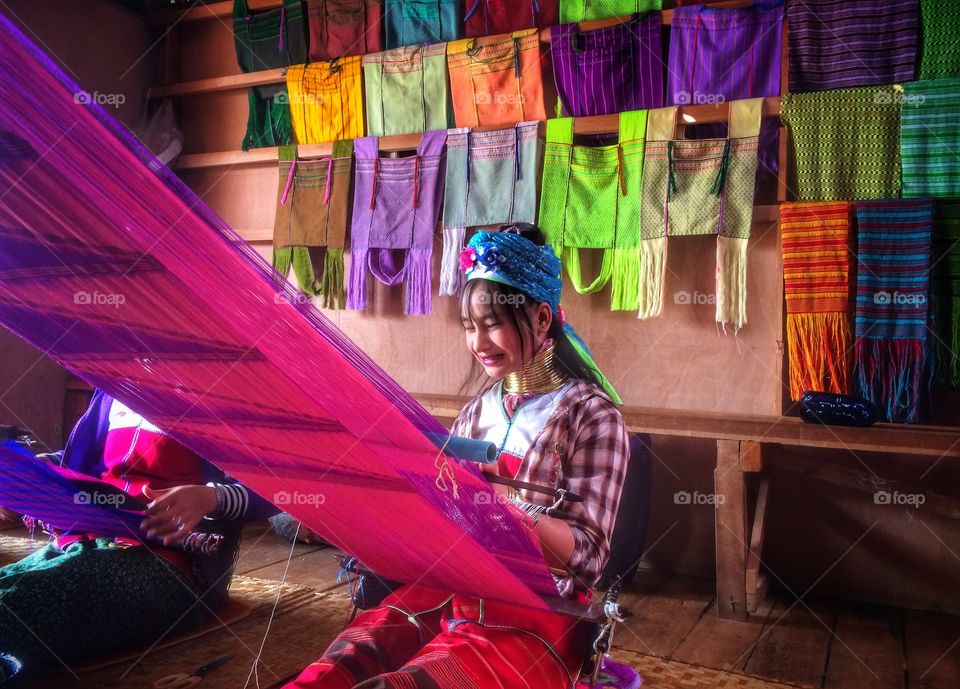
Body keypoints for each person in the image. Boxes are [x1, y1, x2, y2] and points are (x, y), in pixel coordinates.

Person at [285, 224, 629, 689]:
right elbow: (440, 517)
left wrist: (494, 508)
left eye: (493, 324)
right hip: (452, 587)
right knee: (347, 663)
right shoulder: (476, 412)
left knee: (415, 683)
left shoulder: (592, 416)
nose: (479, 343)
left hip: (540, 611)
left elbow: (587, 558)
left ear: (543, 319)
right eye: (469, 327)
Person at [0, 389, 277, 685]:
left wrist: (212, 497)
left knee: (21, 602)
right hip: (89, 538)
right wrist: (31, 471)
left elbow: (277, 488)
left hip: (173, 565)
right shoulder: (112, 389)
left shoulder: (219, 390)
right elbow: (82, 465)